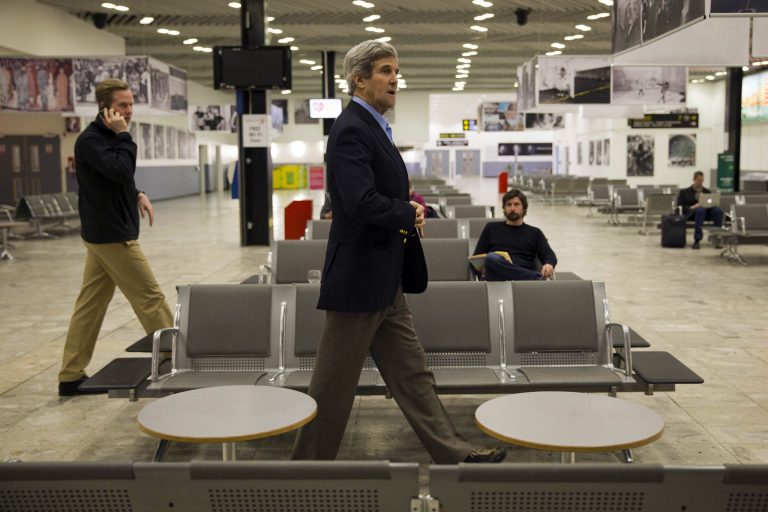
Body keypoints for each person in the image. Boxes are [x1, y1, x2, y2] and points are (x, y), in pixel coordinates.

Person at [291, 40, 505, 464]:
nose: (395, 79)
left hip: (385, 279)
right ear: (360, 79)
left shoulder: (373, 128)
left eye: (396, 71)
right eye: (386, 71)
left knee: (413, 376)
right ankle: (305, 471)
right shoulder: (351, 128)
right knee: (332, 388)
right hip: (358, 281)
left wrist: (406, 212)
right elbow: (356, 201)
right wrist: (406, 211)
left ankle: (455, 454)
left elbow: (378, 198)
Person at [58, 79, 174, 396]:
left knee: (91, 304)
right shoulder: (92, 140)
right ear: (105, 107)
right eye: (123, 105)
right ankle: (179, 359)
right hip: (112, 235)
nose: (129, 111)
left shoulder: (107, 139)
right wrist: (124, 136)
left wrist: (138, 193)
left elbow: (115, 178)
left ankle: (70, 375)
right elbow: (120, 170)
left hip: (103, 233)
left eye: (131, 104)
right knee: (151, 299)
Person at [473, 189, 557, 281]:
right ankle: (536, 278)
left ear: (524, 208)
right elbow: (476, 258)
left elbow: (549, 254)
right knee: (491, 258)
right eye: (509, 205)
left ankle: (530, 276)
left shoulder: (535, 233)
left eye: (516, 204)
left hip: (523, 281)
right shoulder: (491, 228)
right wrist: (481, 272)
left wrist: (549, 264)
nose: (512, 208)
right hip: (498, 279)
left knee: (491, 258)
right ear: (504, 209)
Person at [676, 170, 725, 249]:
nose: (700, 182)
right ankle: (697, 239)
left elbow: (711, 203)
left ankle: (716, 237)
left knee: (718, 211)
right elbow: (680, 206)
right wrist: (692, 207)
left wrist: (712, 204)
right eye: (699, 180)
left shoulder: (707, 192)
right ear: (694, 179)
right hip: (692, 213)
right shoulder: (684, 192)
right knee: (700, 210)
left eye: (702, 180)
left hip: (706, 212)